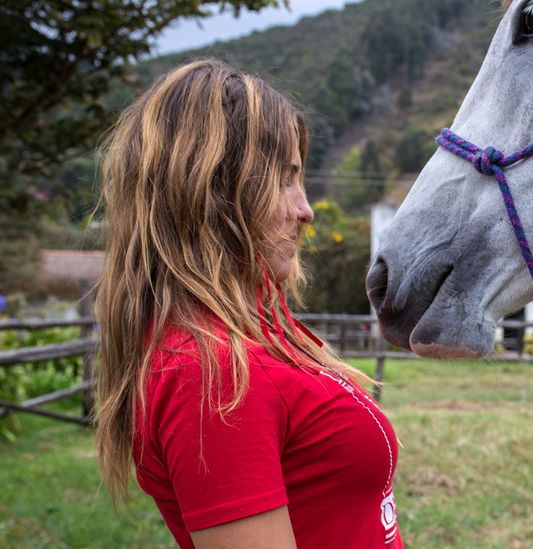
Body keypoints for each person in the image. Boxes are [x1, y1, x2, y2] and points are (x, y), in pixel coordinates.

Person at [93, 59, 403, 548]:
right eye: (283, 178)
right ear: (208, 188)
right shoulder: (212, 375)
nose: (305, 210)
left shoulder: (248, 341)